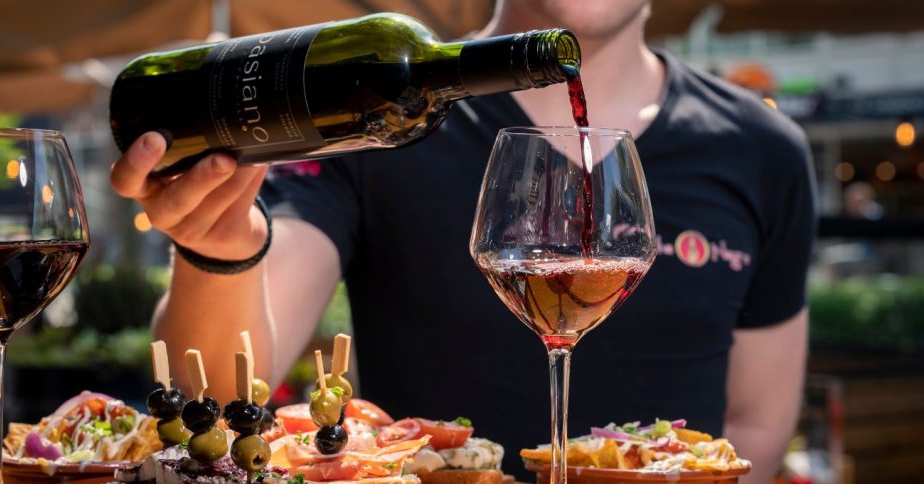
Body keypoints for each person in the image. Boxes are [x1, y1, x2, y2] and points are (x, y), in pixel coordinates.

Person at [110, 1, 815, 482]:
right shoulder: (376, 116)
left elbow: (757, 422)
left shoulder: (762, 149)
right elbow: (220, 388)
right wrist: (219, 250)